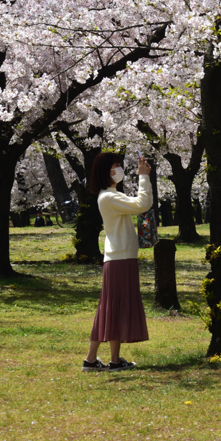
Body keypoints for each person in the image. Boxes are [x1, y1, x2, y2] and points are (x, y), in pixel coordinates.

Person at [83, 152, 153, 372]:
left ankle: (110, 361)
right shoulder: (109, 197)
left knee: (113, 308)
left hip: (120, 257)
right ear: (106, 171)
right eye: (116, 166)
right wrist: (144, 176)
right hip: (120, 258)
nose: (120, 170)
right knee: (112, 308)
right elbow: (143, 203)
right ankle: (92, 360)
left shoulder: (111, 195)